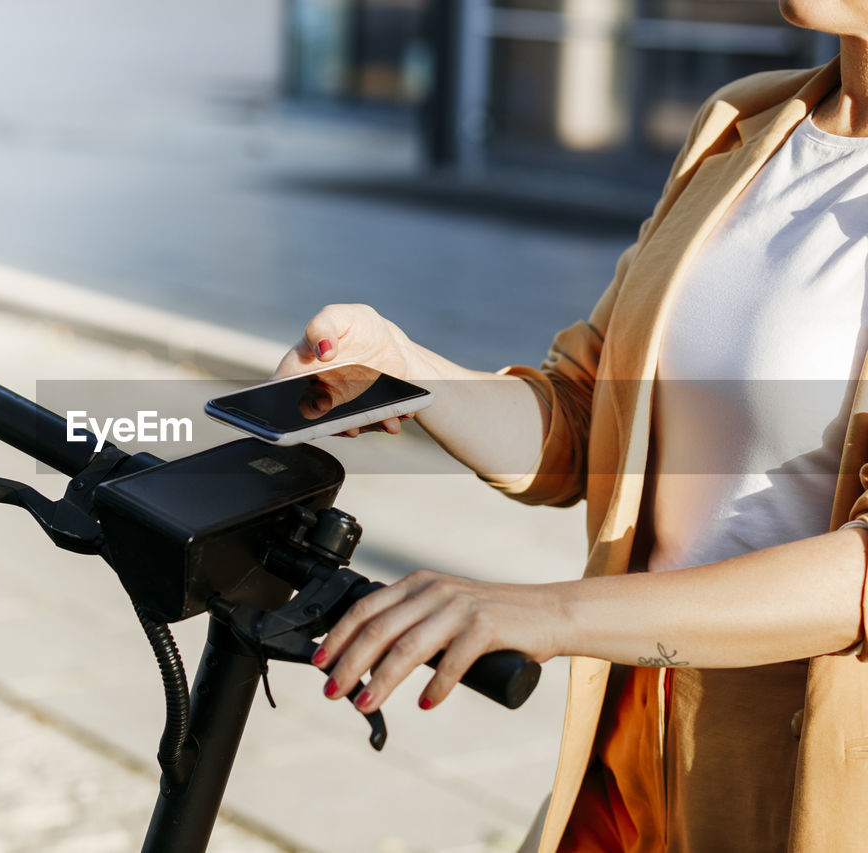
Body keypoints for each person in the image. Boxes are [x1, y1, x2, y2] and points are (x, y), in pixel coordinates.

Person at [272, 4, 868, 851]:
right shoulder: (745, 123)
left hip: (821, 781)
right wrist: (411, 372)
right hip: (632, 752)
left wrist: (547, 613)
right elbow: (591, 418)